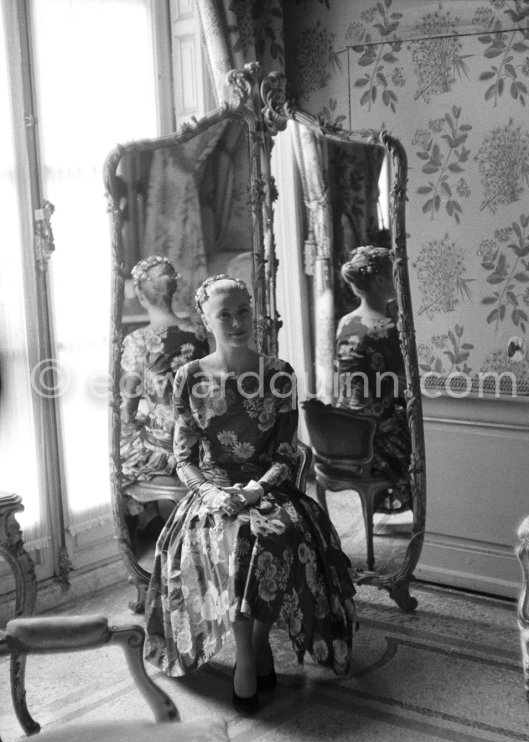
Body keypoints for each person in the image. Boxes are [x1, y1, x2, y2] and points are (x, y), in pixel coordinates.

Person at [144, 273, 357, 714]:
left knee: (272, 538)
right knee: (238, 544)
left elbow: (287, 453)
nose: (238, 322)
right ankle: (248, 656)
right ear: (206, 320)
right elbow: (183, 457)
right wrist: (211, 494)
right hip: (213, 492)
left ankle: (258, 644)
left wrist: (257, 489)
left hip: (268, 489)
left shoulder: (278, 375)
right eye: (225, 315)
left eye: (244, 311)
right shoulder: (188, 377)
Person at [120, 255, 209, 530]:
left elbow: (129, 403)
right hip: (199, 433)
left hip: (164, 443)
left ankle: (147, 516)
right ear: (173, 291)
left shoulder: (138, 340)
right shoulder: (198, 333)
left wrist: (129, 418)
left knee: (121, 437)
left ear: (140, 296)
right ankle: (155, 517)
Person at [335, 245, 411, 512]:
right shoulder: (386, 327)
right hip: (376, 433)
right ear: (380, 281)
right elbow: (404, 382)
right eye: (395, 274)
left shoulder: (345, 321)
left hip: (345, 425)